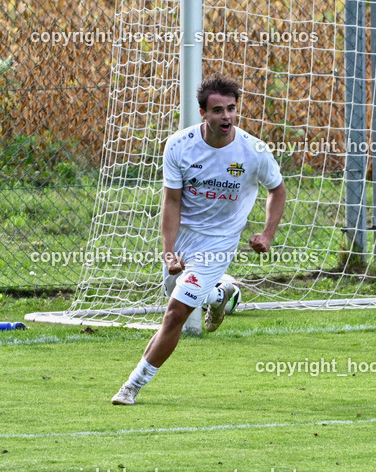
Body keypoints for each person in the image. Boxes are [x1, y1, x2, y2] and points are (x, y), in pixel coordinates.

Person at [111, 73, 286, 405]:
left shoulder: (254, 150)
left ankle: (131, 386)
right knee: (175, 294)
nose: (227, 116)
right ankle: (221, 294)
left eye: (231, 108)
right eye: (218, 110)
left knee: (175, 313)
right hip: (183, 238)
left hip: (218, 244)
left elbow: (277, 190)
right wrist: (168, 252)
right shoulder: (179, 145)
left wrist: (267, 233)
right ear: (203, 113)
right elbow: (171, 201)